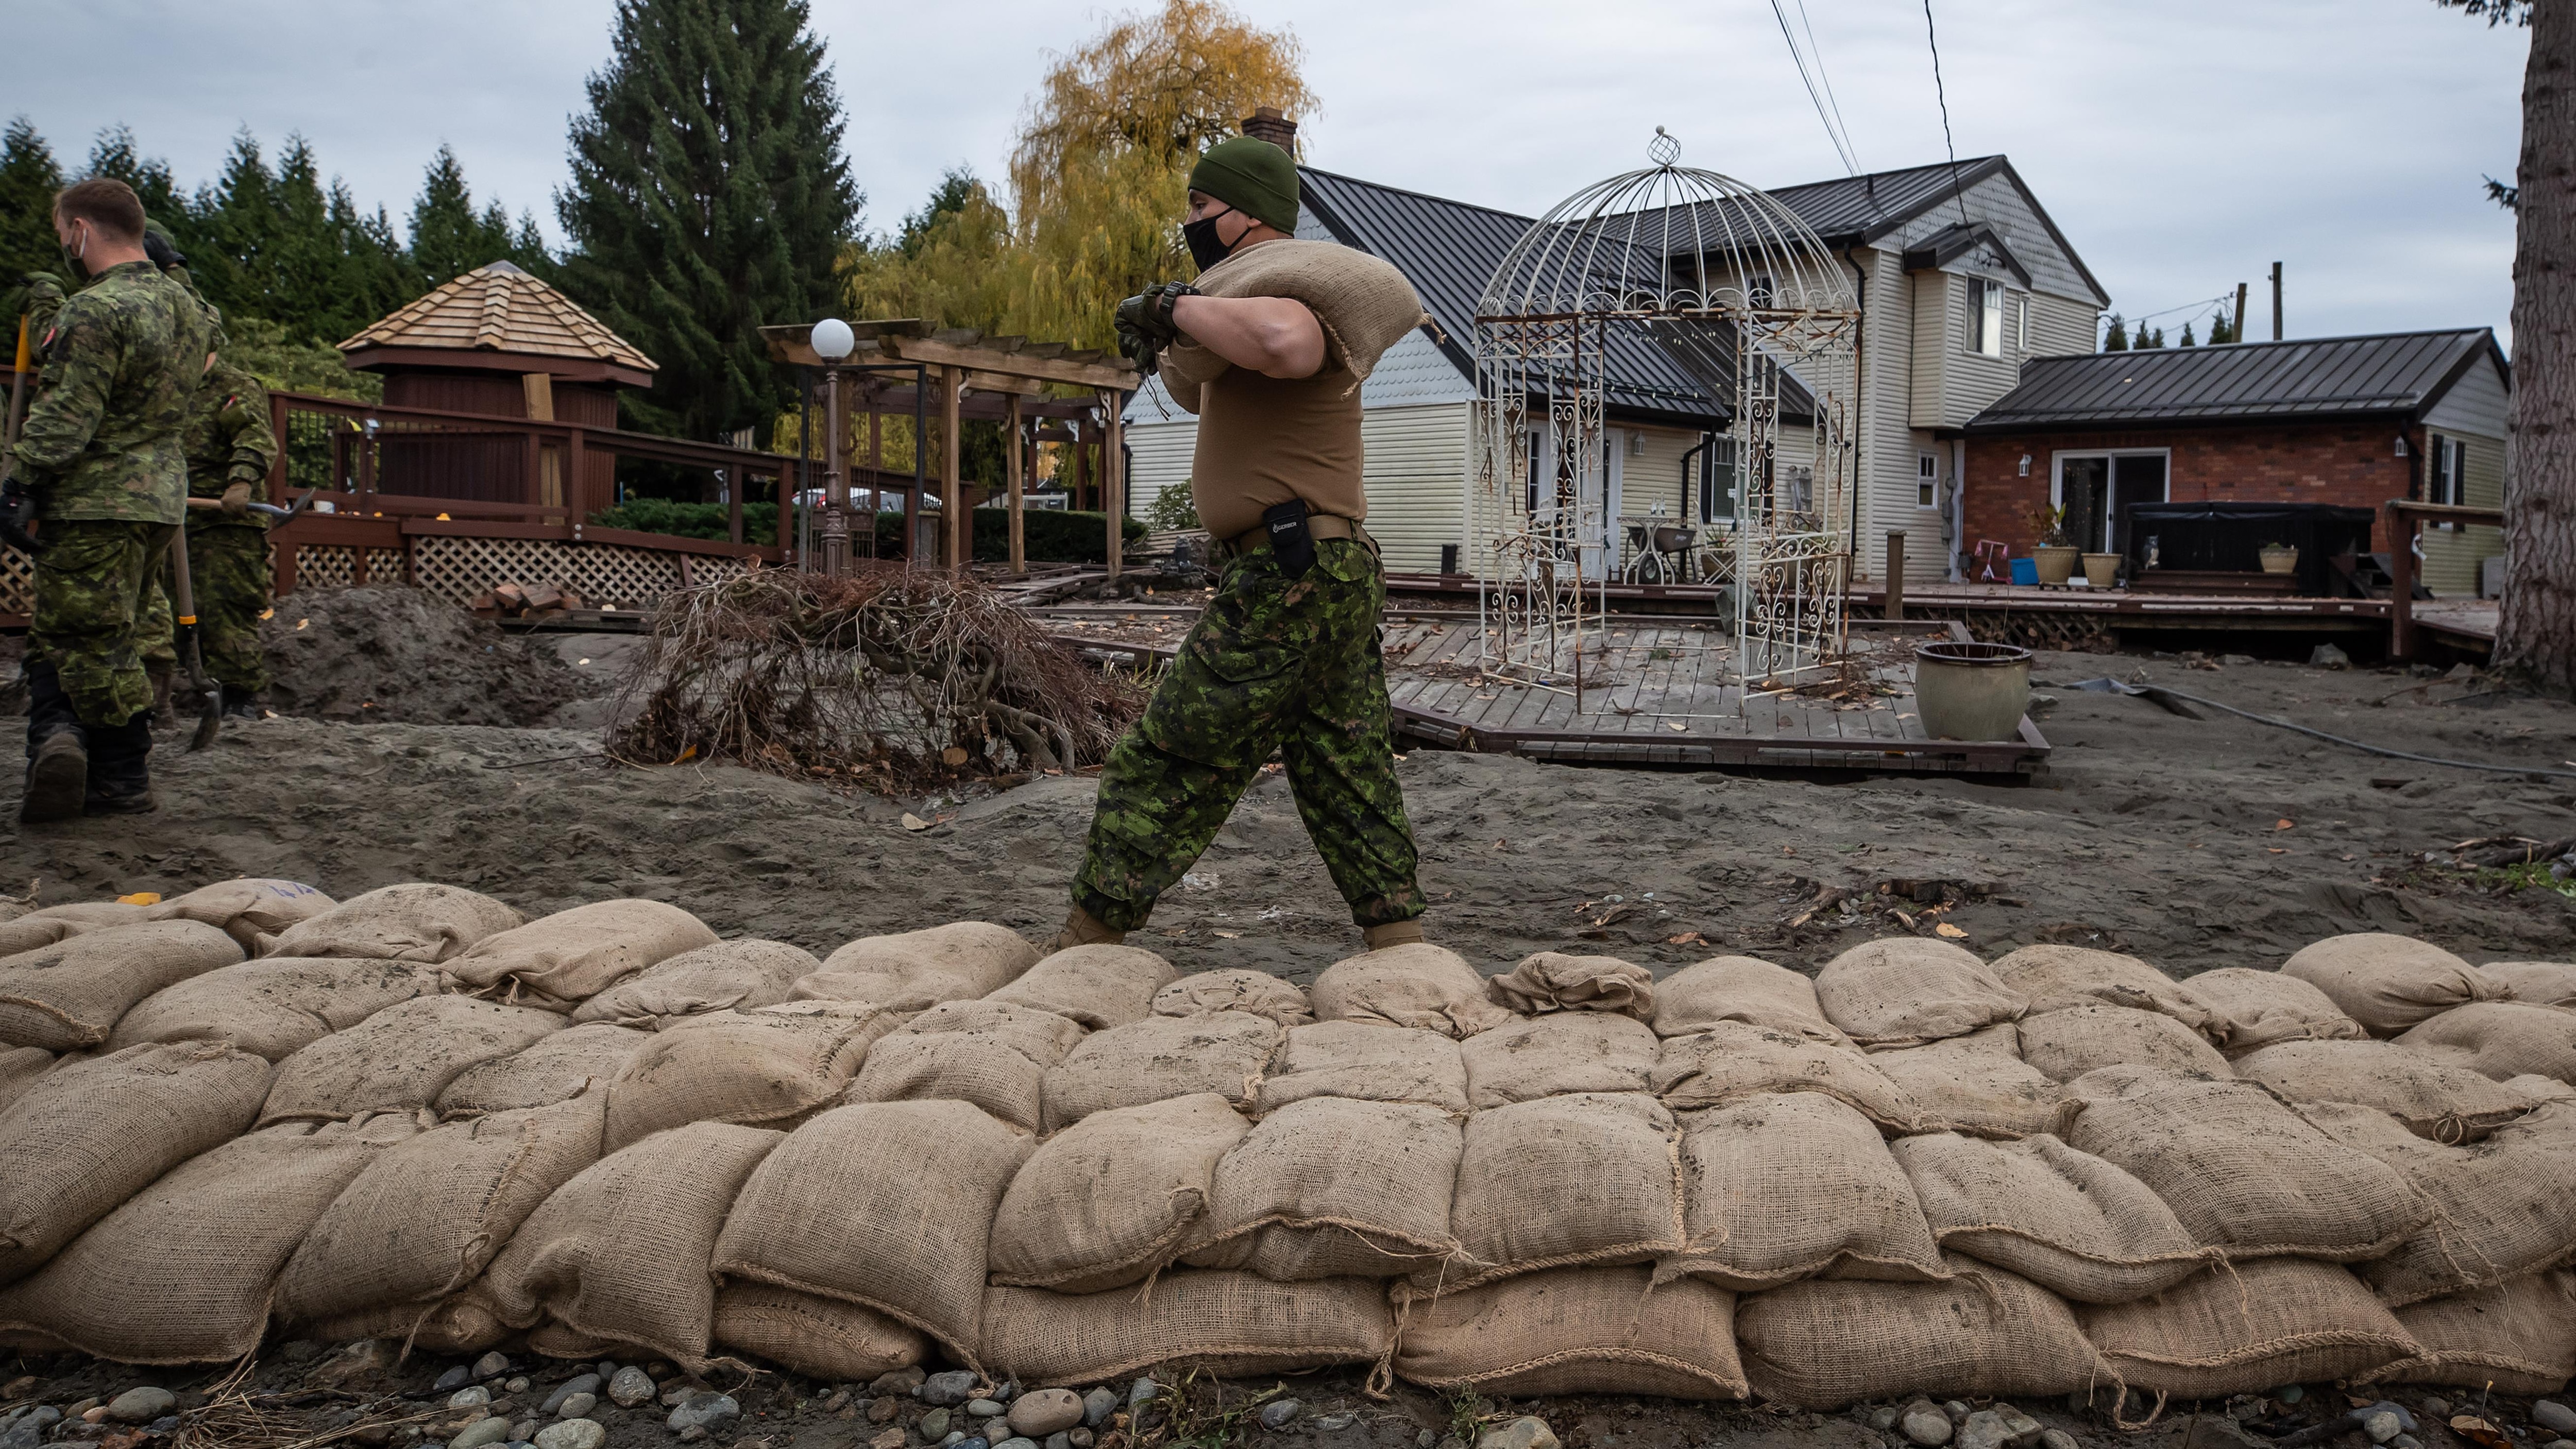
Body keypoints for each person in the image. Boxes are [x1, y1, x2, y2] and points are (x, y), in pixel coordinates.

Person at [1055, 133, 1429, 954]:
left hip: (1291, 571)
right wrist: (1182, 325)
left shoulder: (1297, 296)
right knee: (1345, 767)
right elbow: (1209, 381)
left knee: (1170, 755)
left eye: (1198, 206)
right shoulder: (1247, 301)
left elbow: (1283, 343)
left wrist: (1172, 307)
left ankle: (1085, 943)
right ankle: (1403, 949)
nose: (1188, 220)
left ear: (1242, 215)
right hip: (1321, 568)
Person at [8, 179, 215, 820]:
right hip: (159, 500)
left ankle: (119, 773)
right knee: (94, 630)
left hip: (94, 500)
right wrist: (174, 267)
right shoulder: (190, 310)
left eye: (62, 234)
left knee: (88, 641)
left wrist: (21, 480)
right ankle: (67, 746)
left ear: (79, 230)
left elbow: (67, 413)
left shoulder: (95, 309)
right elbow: (215, 339)